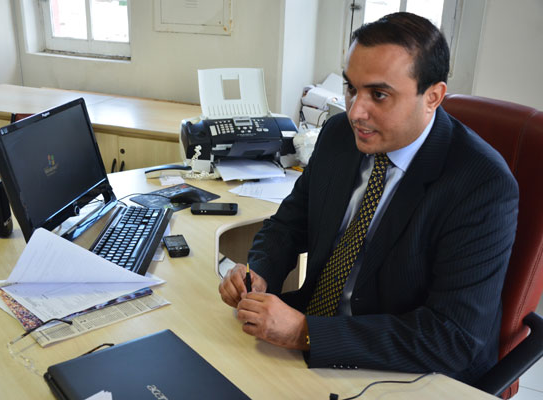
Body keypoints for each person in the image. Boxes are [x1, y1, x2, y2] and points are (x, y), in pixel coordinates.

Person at [218, 12, 519, 385]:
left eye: (378, 95)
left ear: (433, 97)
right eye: (351, 88)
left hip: (412, 372)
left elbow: (451, 336)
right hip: (316, 332)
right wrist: (259, 273)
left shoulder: (482, 185)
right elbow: (288, 225)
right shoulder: (338, 136)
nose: (355, 112)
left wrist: (306, 333)